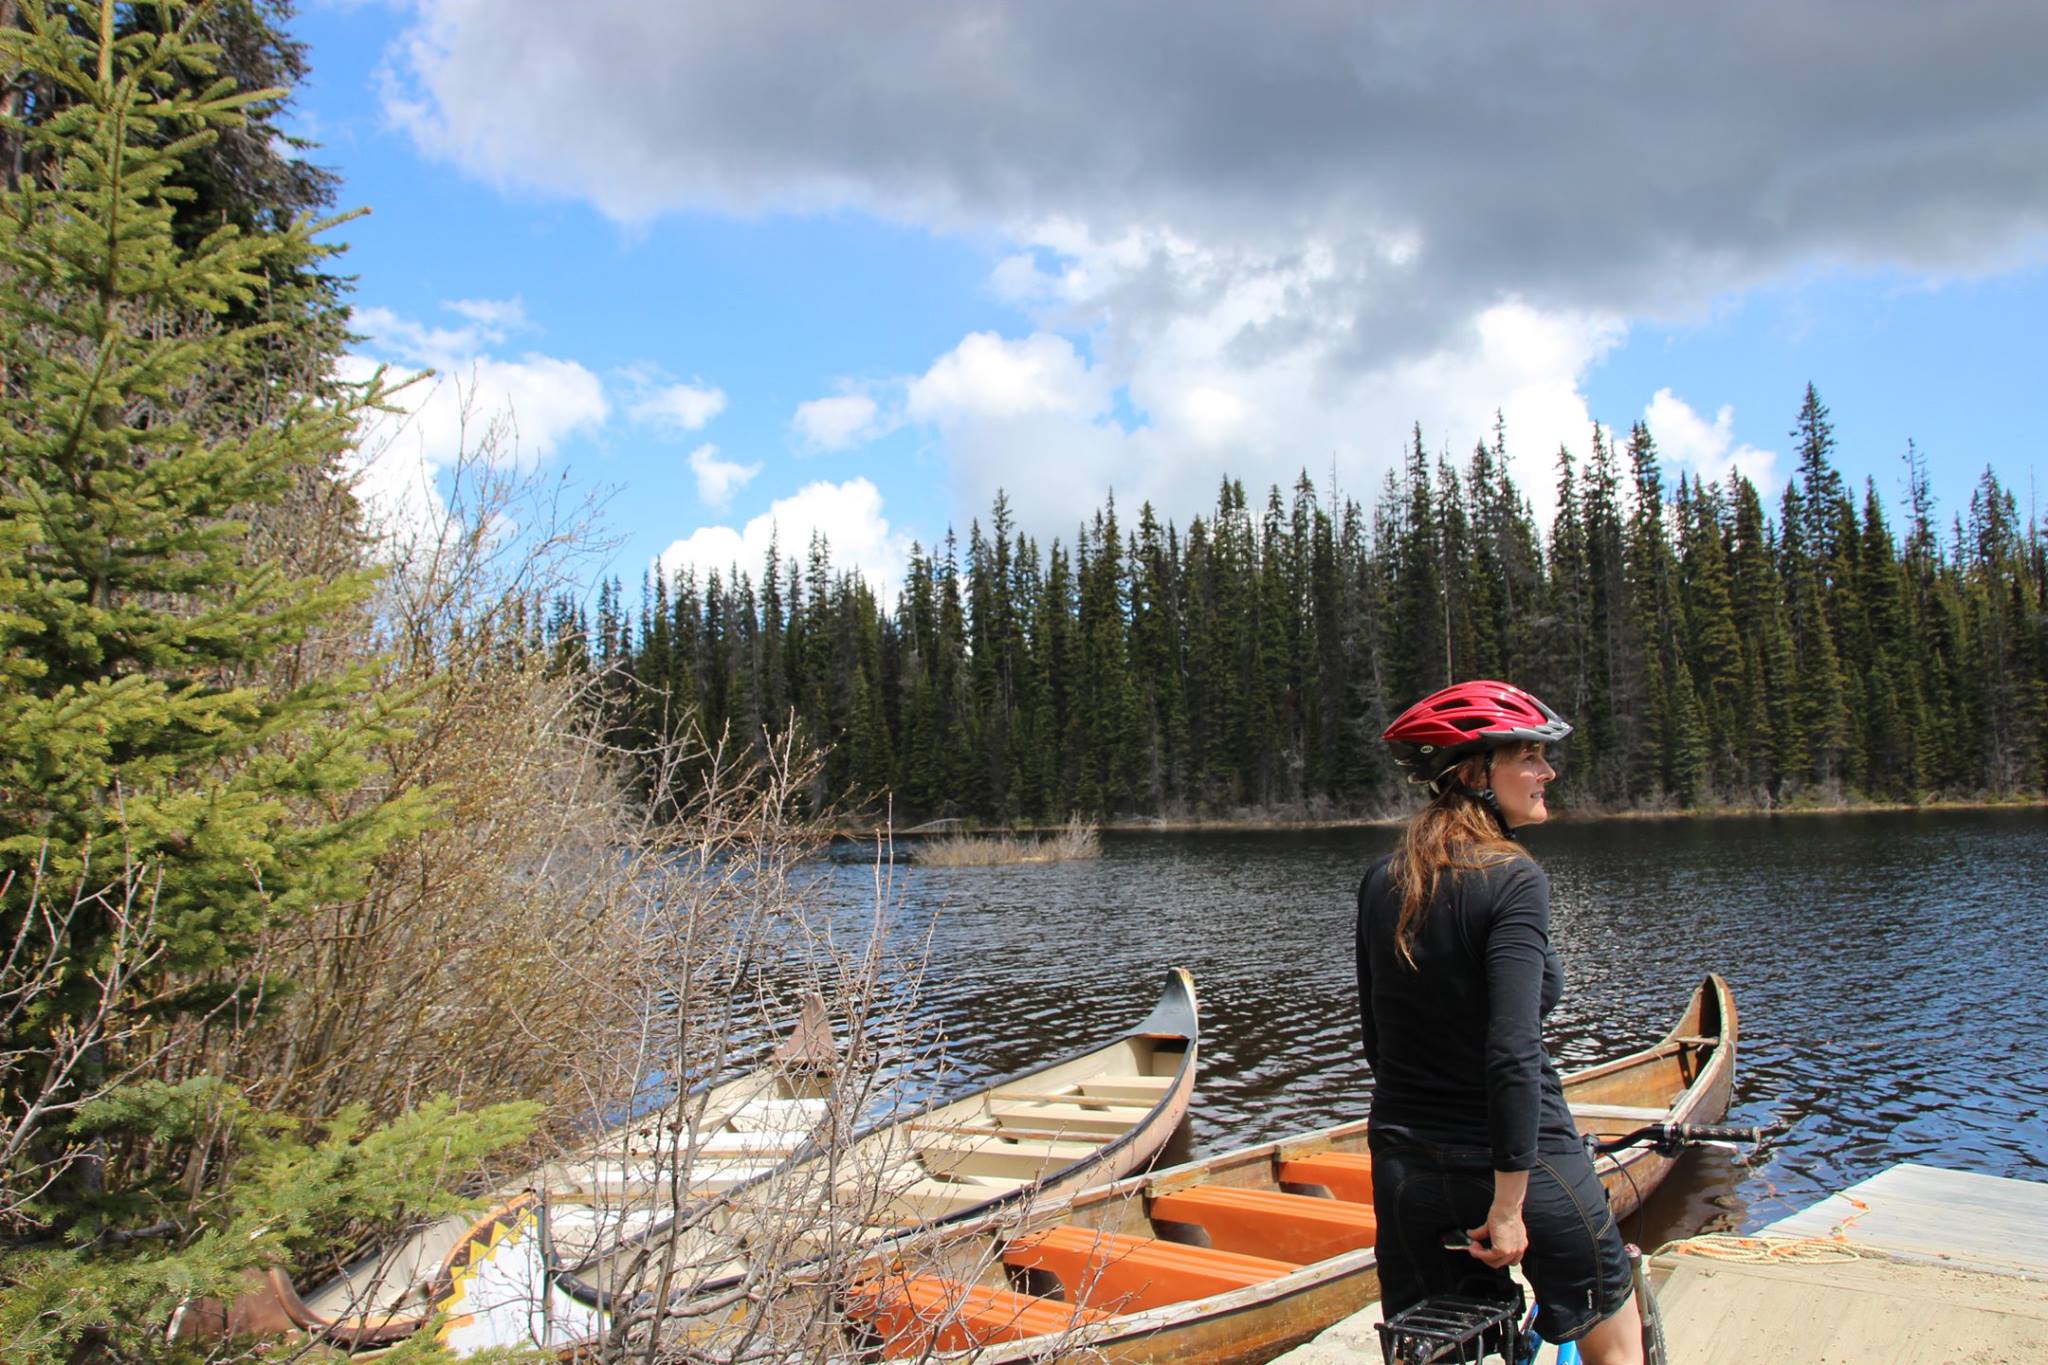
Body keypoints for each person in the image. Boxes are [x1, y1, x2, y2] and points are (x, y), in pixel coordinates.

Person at [1356, 679, 1645, 1365]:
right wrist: (1509, 1204)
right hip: (1523, 1166)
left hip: (1407, 1174)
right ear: (1476, 772)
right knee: (1617, 1336)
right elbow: (1513, 1050)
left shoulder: (1380, 878)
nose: (1547, 770)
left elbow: (1378, 1041)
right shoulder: (1514, 878)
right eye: (1529, 756)